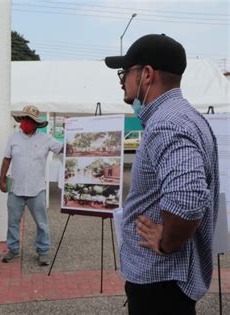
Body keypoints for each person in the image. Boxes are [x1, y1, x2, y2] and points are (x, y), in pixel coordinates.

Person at [105, 34, 219, 314]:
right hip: (165, 280)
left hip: (161, 282)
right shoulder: (183, 116)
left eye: (124, 72)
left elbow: (188, 200)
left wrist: (167, 244)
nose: (121, 80)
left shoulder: (167, 124)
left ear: (146, 74)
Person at [0, 105, 63, 266]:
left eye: (30, 120)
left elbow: (64, 150)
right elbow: (6, 159)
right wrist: (1, 180)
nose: (26, 122)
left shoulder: (46, 139)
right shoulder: (13, 138)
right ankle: (13, 249)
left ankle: (43, 251)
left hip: (37, 189)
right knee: (12, 222)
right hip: (16, 188)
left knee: (42, 223)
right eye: (25, 119)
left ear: (36, 123)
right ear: (21, 120)